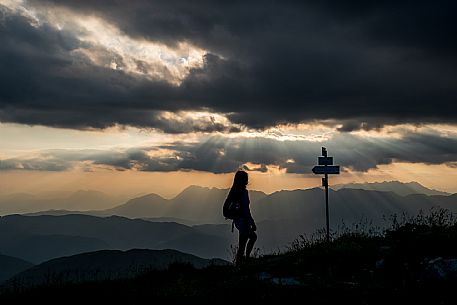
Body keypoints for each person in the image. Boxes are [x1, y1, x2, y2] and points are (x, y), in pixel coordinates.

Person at [226, 170, 257, 265]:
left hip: (239, 221)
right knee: (246, 242)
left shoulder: (234, 191)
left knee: (247, 240)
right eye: (245, 179)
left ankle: (243, 261)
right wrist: (252, 222)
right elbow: (246, 209)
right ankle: (243, 261)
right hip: (244, 221)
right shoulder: (242, 192)